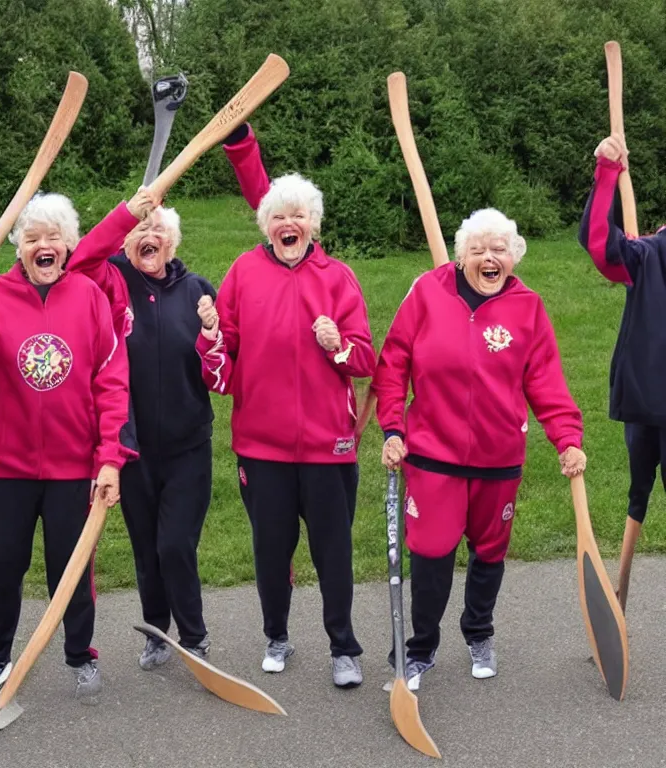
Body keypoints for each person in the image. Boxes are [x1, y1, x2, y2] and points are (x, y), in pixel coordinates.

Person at [66, 123, 269, 671]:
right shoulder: (108, 281)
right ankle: (158, 632)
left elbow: (221, 378)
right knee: (146, 550)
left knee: (176, 545)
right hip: (129, 448)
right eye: (139, 230)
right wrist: (125, 215)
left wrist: (209, 339)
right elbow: (78, 261)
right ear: (127, 241)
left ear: (172, 242)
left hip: (186, 447)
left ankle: (195, 636)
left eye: (157, 229)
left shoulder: (200, 290)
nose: (147, 237)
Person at [373, 208, 587, 690]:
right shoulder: (427, 292)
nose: (489, 258)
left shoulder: (528, 306)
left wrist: (567, 439)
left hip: (499, 457)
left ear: (513, 257)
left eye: (499, 250)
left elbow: (546, 381)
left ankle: (479, 632)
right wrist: (392, 427)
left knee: (490, 552)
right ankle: (419, 648)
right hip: (432, 454)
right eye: (478, 250)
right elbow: (393, 363)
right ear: (461, 255)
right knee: (430, 550)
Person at [0, 192, 133, 700]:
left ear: (68, 246)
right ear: (18, 247)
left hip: (73, 466)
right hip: (6, 466)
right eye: (32, 238)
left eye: (53, 238)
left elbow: (111, 383)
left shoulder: (90, 297)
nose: (43, 246)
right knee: (4, 566)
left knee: (72, 566)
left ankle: (79, 653)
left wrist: (109, 458)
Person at [195, 173, 375, 688]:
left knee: (333, 552)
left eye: (298, 215)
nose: (288, 224)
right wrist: (209, 334)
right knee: (271, 550)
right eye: (278, 216)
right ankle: (276, 636)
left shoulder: (338, 277)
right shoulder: (243, 273)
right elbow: (221, 373)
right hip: (262, 447)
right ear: (266, 226)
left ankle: (344, 647)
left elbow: (364, 361)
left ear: (313, 225)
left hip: (329, 447)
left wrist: (335, 342)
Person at [579, 134, 665, 534]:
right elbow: (601, 245)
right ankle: (621, 591)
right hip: (652, 399)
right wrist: (607, 172)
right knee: (639, 495)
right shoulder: (649, 256)